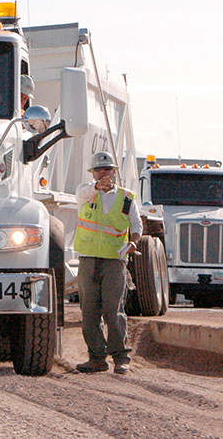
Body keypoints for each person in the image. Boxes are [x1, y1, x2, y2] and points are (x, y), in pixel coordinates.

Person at [74, 151, 143, 375]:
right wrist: (95, 188)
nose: (103, 173)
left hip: (114, 261)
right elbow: (82, 193)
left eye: (107, 169)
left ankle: (121, 358)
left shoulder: (126, 197)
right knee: (89, 311)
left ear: (114, 172)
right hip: (88, 259)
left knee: (114, 310)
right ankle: (96, 358)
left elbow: (136, 226)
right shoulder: (85, 193)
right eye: (98, 170)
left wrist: (132, 243)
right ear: (93, 174)